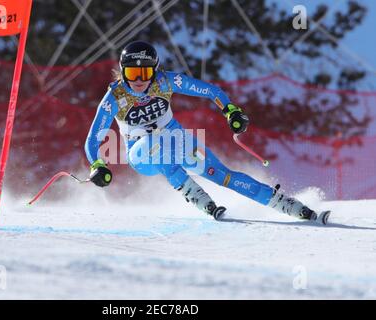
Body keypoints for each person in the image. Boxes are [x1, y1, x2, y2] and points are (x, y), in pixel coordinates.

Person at [85, 40, 328, 223]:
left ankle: (285, 204)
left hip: (175, 139)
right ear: (122, 72)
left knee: (220, 174)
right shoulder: (115, 97)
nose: (139, 80)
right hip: (140, 154)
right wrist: (97, 164)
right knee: (155, 142)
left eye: (145, 72)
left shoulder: (166, 81)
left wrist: (231, 111)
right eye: (132, 73)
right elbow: (93, 139)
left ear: (155, 70)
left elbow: (210, 91)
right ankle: (194, 194)